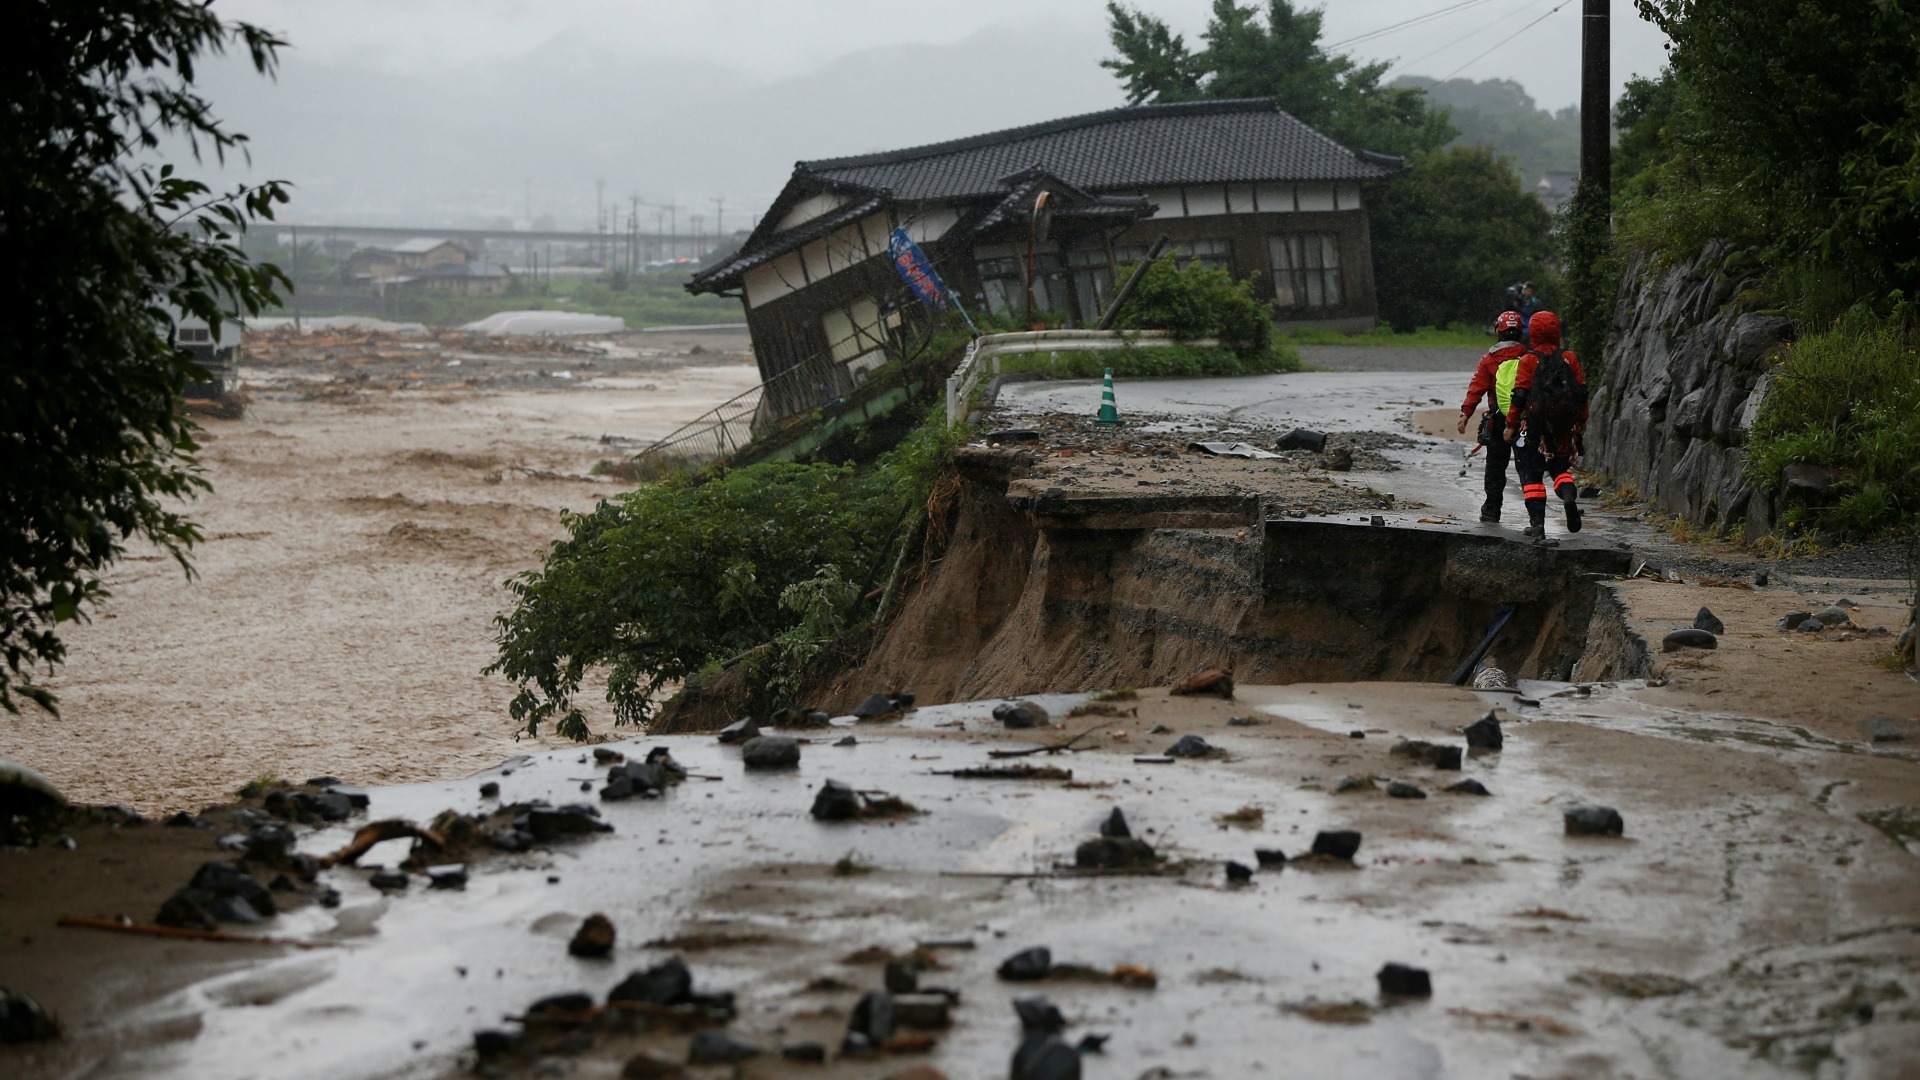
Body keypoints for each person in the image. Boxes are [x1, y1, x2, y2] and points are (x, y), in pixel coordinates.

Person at [1504, 310, 1588, 543]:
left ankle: (1537, 525)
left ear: (1534, 332)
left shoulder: (1529, 360)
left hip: (1534, 429)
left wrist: (1511, 425)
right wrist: (1580, 423)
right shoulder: (1570, 358)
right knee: (1560, 471)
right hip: (1562, 429)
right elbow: (1581, 393)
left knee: (1532, 475)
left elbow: (1519, 394)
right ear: (1556, 331)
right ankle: (1569, 499)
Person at [1457, 310, 1530, 522]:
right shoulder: (1529, 358)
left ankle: (1491, 510)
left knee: (1495, 466)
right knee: (1526, 467)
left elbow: (1476, 389)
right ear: (1520, 332)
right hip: (1524, 421)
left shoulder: (1489, 360)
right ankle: (1536, 516)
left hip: (1498, 421)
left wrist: (1465, 414)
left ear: (1499, 332)